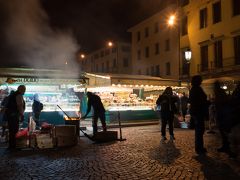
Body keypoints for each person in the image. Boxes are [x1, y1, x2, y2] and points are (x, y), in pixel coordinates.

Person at [213, 81, 236, 157]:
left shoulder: (219, 92)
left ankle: (230, 149)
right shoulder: (218, 92)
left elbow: (222, 102)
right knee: (223, 132)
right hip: (222, 114)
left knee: (225, 131)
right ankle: (225, 146)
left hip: (223, 114)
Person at [189, 75, 209, 155]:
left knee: (199, 130)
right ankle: (199, 148)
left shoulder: (194, 89)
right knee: (200, 130)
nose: (201, 81)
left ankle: (199, 147)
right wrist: (207, 102)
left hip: (196, 111)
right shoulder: (196, 89)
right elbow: (200, 101)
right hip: (198, 112)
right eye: (200, 80)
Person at [5, 85, 26, 150]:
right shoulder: (18, 95)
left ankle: (11, 146)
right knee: (15, 131)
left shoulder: (12, 95)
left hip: (10, 115)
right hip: (14, 116)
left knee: (11, 131)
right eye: (24, 90)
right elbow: (20, 106)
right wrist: (22, 115)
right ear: (21, 89)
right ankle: (14, 146)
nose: (24, 92)